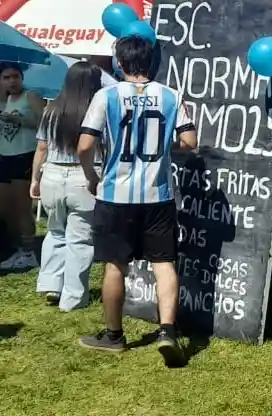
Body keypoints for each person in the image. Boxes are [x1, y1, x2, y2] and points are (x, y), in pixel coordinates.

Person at [76, 36, 198, 367]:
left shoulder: (106, 95)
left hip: (116, 194)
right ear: (151, 62)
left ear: (119, 62)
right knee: (164, 263)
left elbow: (85, 146)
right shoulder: (172, 95)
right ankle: (168, 331)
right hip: (158, 195)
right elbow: (190, 141)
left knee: (115, 265)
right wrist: (162, 149)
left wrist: (91, 176)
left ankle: (114, 335)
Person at [31, 62, 104, 310]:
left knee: (55, 231)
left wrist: (35, 179)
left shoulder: (51, 109)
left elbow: (41, 148)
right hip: (84, 176)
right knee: (80, 238)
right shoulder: (97, 110)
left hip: (52, 173)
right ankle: (73, 297)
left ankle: (51, 284)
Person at [0, 62, 46, 271]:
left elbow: (44, 125)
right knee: (6, 208)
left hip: (24, 156)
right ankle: (17, 249)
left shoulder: (31, 96)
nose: (12, 81)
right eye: (7, 77)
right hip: (5, 156)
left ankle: (29, 252)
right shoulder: (5, 99)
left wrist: (20, 120)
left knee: (22, 207)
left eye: (15, 76)